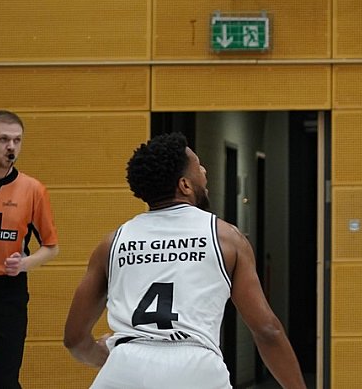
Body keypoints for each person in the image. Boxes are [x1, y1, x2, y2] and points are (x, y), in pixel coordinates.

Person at [61, 132, 306, 389]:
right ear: (185, 185)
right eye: (198, 166)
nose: (204, 170)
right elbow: (267, 330)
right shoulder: (227, 238)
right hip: (196, 366)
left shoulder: (112, 243)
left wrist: (106, 358)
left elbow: (74, 339)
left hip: (125, 364)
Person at [0, 110, 58, 389]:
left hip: (8, 293)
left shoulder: (33, 190)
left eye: (17, 140)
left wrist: (24, 264)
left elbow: (51, 247)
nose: (11, 146)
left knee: (7, 381)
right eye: (4, 139)